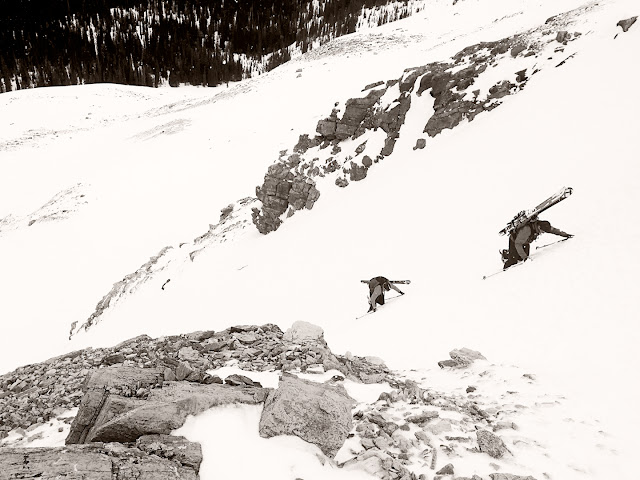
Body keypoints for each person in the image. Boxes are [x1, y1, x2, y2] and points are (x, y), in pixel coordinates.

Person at [501, 216, 573, 269]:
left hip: (525, 242)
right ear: (539, 227)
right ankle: (506, 261)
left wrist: (565, 235)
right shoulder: (527, 230)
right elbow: (518, 243)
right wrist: (525, 258)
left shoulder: (543, 226)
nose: (542, 233)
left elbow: (553, 230)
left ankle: (509, 253)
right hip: (515, 241)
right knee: (514, 260)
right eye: (542, 231)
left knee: (521, 258)